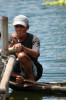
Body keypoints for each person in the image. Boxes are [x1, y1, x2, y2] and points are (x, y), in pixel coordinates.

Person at [8, 15, 43, 87]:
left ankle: (30, 79)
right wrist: (12, 44)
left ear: (27, 28)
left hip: (33, 71)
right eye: (16, 26)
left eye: (21, 27)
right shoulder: (11, 38)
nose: (19, 29)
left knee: (21, 55)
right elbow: (6, 56)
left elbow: (36, 54)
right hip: (15, 71)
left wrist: (23, 47)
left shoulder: (34, 38)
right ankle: (20, 78)